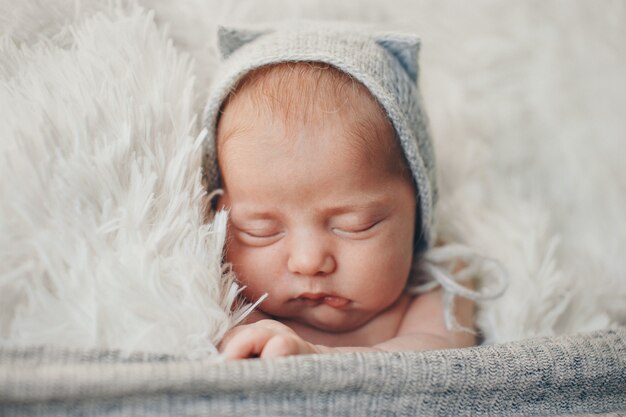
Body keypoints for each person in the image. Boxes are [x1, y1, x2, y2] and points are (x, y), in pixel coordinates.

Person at [202, 24, 504, 359]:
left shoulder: (437, 285)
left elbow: (440, 359)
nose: (308, 262)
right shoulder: (231, 299)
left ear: (418, 209)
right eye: (260, 230)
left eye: (354, 225)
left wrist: (318, 356)